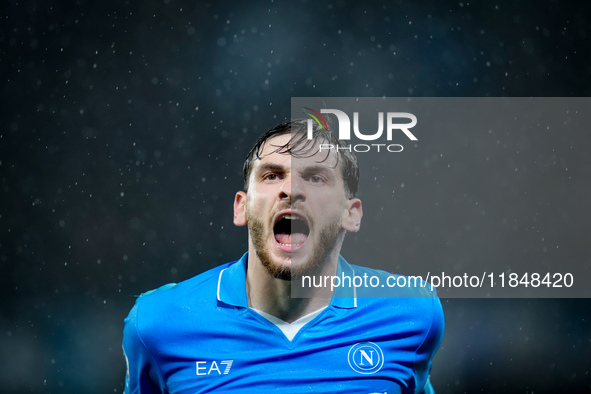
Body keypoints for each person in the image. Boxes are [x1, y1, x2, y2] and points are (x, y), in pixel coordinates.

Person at [122, 119, 444, 393]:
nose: (291, 189)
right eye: (272, 175)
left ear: (351, 214)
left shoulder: (412, 312)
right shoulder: (158, 321)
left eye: (316, 177)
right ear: (241, 207)